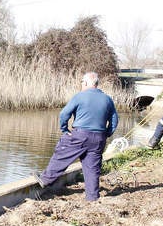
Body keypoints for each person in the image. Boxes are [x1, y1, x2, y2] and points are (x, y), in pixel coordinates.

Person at [35, 71, 119, 202]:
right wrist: (107, 133)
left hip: (80, 135)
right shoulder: (107, 99)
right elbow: (114, 121)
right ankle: (92, 197)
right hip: (99, 138)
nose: (81, 83)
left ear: (86, 82)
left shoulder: (80, 96)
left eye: (81, 81)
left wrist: (64, 129)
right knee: (92, 168)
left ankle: (45, 179)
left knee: (62, 153)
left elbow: (64, 114)